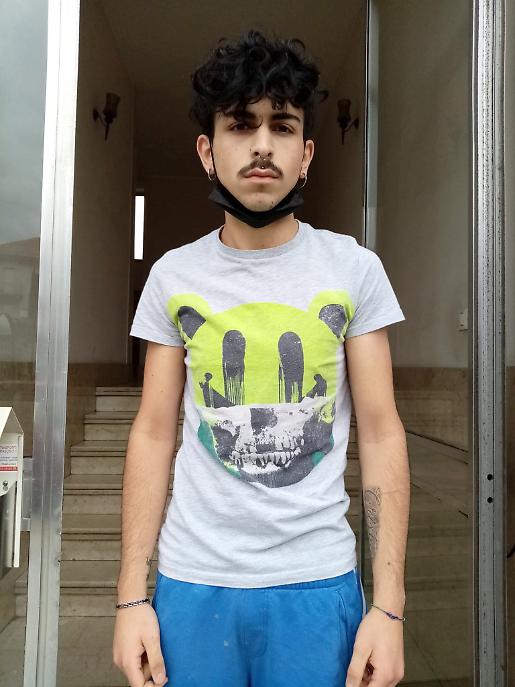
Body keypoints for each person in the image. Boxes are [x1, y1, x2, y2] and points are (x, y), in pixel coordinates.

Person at [113, 28, 410, 687]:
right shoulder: (172, 276)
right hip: (193, 581)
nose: (261, 145)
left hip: (317, 582)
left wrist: (389, 606)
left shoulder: (353, 270)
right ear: (207, 150)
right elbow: (154, 432)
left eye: (282, 125)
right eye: (240, 125)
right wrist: (131, 596)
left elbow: (382, 431)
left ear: (306, 154)